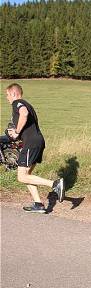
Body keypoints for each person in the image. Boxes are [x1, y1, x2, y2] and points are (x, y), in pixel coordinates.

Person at [6, 83, 65, 213]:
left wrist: (16, 131)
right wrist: (18, 136)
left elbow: (24, 114)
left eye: (7, 95)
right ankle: (38, 204)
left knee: (21, 177)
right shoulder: (28, 104)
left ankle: (55, 185)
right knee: (27, 175)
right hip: (37, 141)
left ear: (14, 93)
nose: (7, 98)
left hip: (32, 144)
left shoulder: (18, 103)